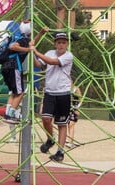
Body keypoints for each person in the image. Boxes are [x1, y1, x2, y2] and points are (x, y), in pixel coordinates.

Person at [32, 32, 74, 163]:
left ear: (67, 44)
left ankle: (60, 152)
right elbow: (39, 65)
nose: (61, 45)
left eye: (63, 42)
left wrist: (36, 51)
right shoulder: (49, 52)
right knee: (45, 118)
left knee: (62, 124)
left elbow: (53, 62)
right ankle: (50, 139)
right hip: (50, 92)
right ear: (55, 43)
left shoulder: (68, 56)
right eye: (59, 42)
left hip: (63, 93)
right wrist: (31, 53)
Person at [2, 21, 45, 124]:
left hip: (6, 66)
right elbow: (13, 46)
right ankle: (10, 115)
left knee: (14, 92)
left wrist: (41, 33)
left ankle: (7, 114)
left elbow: (32, 43)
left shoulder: (20, 37)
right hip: (14, 67)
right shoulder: (22, 39)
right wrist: (27, 50)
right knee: (21, 92)